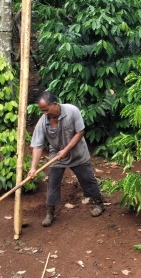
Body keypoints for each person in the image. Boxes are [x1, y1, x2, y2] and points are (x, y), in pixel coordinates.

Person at [27, 91, 104, 227]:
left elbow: (80, 132)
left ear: (55, 104)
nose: (45, 113)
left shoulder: (72, 111)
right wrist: (33, 168)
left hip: (77, 152)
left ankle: (98, 204)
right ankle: (50, 213)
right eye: (42, 111)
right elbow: (37, 146)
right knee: (53, 184)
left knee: (87, 179)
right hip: (57, 156)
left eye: (46, 109)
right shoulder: (42, 123)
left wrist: (67, 149)